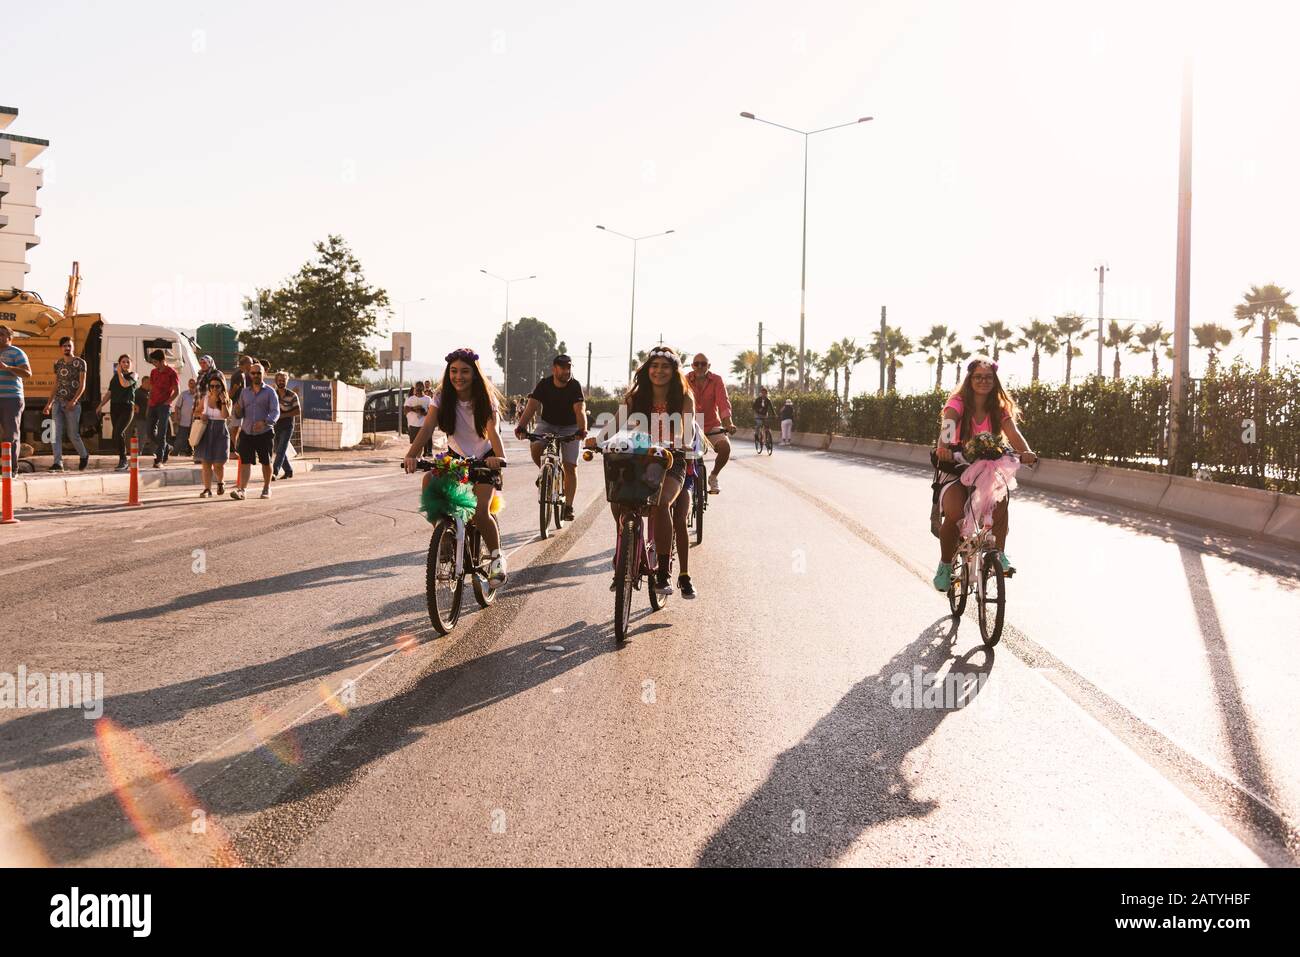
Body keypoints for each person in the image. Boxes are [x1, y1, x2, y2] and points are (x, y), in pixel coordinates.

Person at [588, 346, 697, 599]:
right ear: (647, 369)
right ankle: (625, 552)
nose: (659, 371)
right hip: (637, 458)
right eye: (654, 366)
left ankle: (662, 572)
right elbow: (613, 426)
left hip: (670, 460)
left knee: (662, 504)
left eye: (665, 367)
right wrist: (598, 440)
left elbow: (688, 430)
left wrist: (681, 441)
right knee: (618, 498)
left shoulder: (684, 397)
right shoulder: (633, 398)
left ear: (674, 371)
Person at [932, 358, 1038, 591]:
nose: (983, 381)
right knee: (955, 512)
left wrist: (1026, 451)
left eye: (988, 377)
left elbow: (1013, 432)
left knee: (1001, 502)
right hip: (957, 463)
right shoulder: (958, 402)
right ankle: (945, 564)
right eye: (978, 377)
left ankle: (998, 553)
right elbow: (948, 425)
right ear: (970, 379)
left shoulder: (998, 408)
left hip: (988, 463)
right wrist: (944, 447)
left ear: (994, 381)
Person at [404, 347, 509, 583]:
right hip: (456, 457)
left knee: (480, 513)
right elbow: (428, 427)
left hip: (485, 457)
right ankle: (446, 537)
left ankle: (496, 558)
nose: (458, 376)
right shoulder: (441, 397)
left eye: (464, 371)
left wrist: (498, 458)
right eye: (453, 371)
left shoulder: (485, 399)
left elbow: (493, 431)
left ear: (474, 374)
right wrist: (412, 454)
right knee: (429, 482)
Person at [515, 353, 586, 521]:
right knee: (536, 447)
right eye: (563, 368)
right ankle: (544, 474)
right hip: (548, 424)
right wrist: (521, 427)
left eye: (569, 367)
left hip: (570, 426)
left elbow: (580, 410)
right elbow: (532, 406)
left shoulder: (575, 386)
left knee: (570, 466)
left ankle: (568, 506)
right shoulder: (544, 384)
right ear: (554, 369)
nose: (566, 371)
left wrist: (582, 430)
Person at [686, 353, 735, 495]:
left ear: (709, 366)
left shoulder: (717, 380)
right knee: (681, 452)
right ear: (692, 366)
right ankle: (684, 481)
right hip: (690, 425)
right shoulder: (685, 380)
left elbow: (723, 403)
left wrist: (728, 423)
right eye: (697, 364)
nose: (700, 366)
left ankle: (713, 476)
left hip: (711, 425)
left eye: (703, 364)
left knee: (725, 447)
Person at [230, 363, 279, 499]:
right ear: (249, 375)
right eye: (253, 373)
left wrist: (264, 422)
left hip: (264, 433)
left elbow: (275, 412)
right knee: (245, 462)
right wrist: (237, 410)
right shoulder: (245, 392)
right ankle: (242, 490)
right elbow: (239, 414)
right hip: (247, 432)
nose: (256, 375)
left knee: (266, 461)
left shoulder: (270, 392)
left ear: (264, 374)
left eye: (259, 373)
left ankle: (266, 488)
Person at [44, 336, 90, 471]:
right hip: (58, 402)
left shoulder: (80, 363)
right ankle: (58, 463)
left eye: (69, 345)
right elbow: (56, 384)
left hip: (73, 404)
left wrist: (74, 401)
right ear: (61, 348)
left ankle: (84, 455)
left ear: (73, 347)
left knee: (72, 434)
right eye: (64, 346)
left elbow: (83, 384)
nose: (67, 348)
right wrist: (49, 403)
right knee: (55, 433)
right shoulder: (58, 364)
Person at [95, 354, 138, 471]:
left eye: (128, 362)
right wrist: (100, 406)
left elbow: (125, 384)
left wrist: (119, 373)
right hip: (115, 408)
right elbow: (109, 393)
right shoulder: (114, 378)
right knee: (118, 434)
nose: (125, 364)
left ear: (131, 364)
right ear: (119, 364)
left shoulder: (133, 375)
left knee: (118, 432)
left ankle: (123, 460)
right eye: (123, 362)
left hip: (127, 407)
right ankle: (122, 460)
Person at [0, 324, 32, 476]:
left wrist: (7, 367)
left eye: (2, 334)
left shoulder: (17, 352)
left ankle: (12, 469)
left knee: (10, 434)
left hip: (11, 398)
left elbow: (27, 373)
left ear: (9, 337)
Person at [195, 376, 232, 497]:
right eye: (212, 386)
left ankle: (221, 482)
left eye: (217, 386)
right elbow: (196, 411)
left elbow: (225, 415)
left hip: (220, 432)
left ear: (222, 387)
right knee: (205, 462)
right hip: (206, 431)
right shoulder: (205, 399)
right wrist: (201, 415)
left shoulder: (227, 400)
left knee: (218, 463)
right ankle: (207, 489)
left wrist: (222, 401)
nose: (214, 388)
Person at [146, 350, 179, 468]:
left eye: (155, 362)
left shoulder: (172, 373)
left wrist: (167, 403)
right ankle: (166, 447)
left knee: (162, 433)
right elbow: (151, 388)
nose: (154, 364)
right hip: (152, 405)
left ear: (162, 361)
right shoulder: (153, 372)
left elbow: (177, 391)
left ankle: (159, 460)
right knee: (149, 432)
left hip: (164, 406)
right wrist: (149, 402)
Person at [272, 372, 300, 480]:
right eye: (279, 380)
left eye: (283, 380)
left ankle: (274, 471)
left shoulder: (292, 395)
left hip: (287, 425)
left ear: (287, 381)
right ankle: (288, 471)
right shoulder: (273, 394)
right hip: (275, 425)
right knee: (278, 449)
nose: (281, 382)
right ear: (276, 381)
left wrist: (282, 415)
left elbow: (297, 411)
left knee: (281, 449)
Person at [228, 355, 254, 452]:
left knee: (237, 428)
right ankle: (232, 450)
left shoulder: (242, 374)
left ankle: (234, 448)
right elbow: (233, 390)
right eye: (250, 363)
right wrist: (233, 403)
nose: (251, 365)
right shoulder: (239, 375)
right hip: (237, 405)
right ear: (245, 364)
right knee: (235, 428)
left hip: (240, 405)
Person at [403, 381, 432, 456]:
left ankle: (418, 458)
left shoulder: (428, 399)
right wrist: (414, 409)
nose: (419, 388)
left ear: (423, 387)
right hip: (413, 425)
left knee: (421, 444)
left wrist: (424, 412)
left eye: (420, 386)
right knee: (414, 444)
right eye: (417, 387)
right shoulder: (410, 399)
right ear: (415, 388)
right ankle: (416, 458)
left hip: (423, 425)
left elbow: (431, 412)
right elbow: (405, 410)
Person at [173, 378, 198, 457]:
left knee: (194, 439)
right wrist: (176, 417)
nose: (191, 384)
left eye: (193, 383)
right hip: (184, 421)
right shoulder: (184, 394)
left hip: (195, 422)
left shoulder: (199, 395)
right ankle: (175, 452)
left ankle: (193, 453)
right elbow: (177, 406)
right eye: (190, 383)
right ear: (188, 384)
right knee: (180, 438)